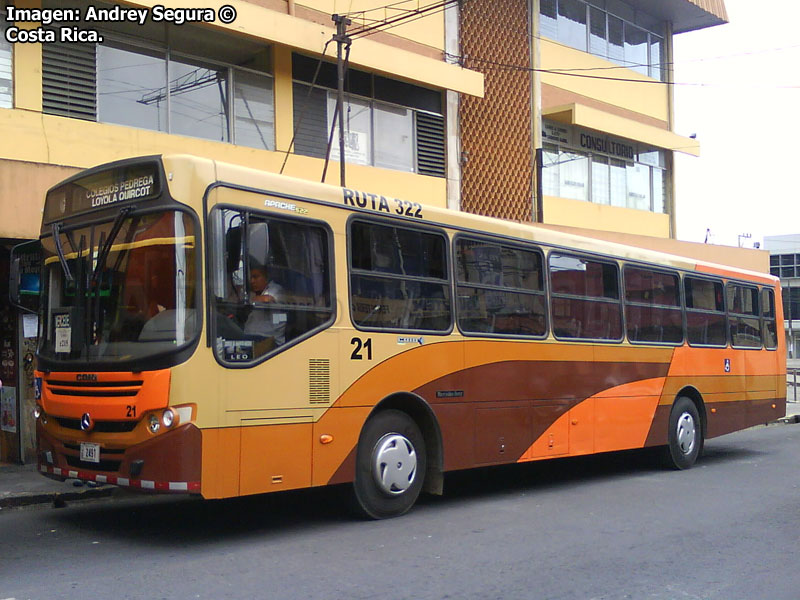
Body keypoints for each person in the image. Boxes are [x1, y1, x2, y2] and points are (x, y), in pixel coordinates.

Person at [243, 263, 287, 347]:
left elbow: (267, 299)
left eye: (256, 277)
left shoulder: (276, 289)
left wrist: (248, 300)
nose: (252, 281)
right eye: (251, 278)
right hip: (253, 337)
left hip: (270, 339)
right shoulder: (255, 293)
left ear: (266, 278)